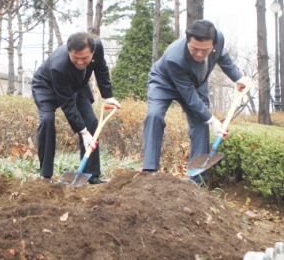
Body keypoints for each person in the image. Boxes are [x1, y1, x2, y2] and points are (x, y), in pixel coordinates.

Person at [142, 19, 251, 181]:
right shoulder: (174, 56)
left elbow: (223, 58)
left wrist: (238, 77)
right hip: (163, 83)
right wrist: (213, 120)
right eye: (194, 48)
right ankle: (149, 170)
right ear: (187, 40)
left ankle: (198, 178)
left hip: (195, 83)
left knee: (201, 122)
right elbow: (189, 95)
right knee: (155, 115)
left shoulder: (218, 39)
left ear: (213, 44)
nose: (199, 54)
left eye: (205, 50)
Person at [31, 32, 121, 184]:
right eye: (75, 58)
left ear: (92, 52)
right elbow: (67, 103)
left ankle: (91, 175)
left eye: (85, 58)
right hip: (46, 86)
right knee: (47, 121)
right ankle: (45, 176)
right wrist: (83, 132)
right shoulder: (59, 66)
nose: (80, 62)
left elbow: (101, 69)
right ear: (68, 51)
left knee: (91, 121)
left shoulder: (98, 47)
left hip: (77, 85)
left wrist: (107, 95)